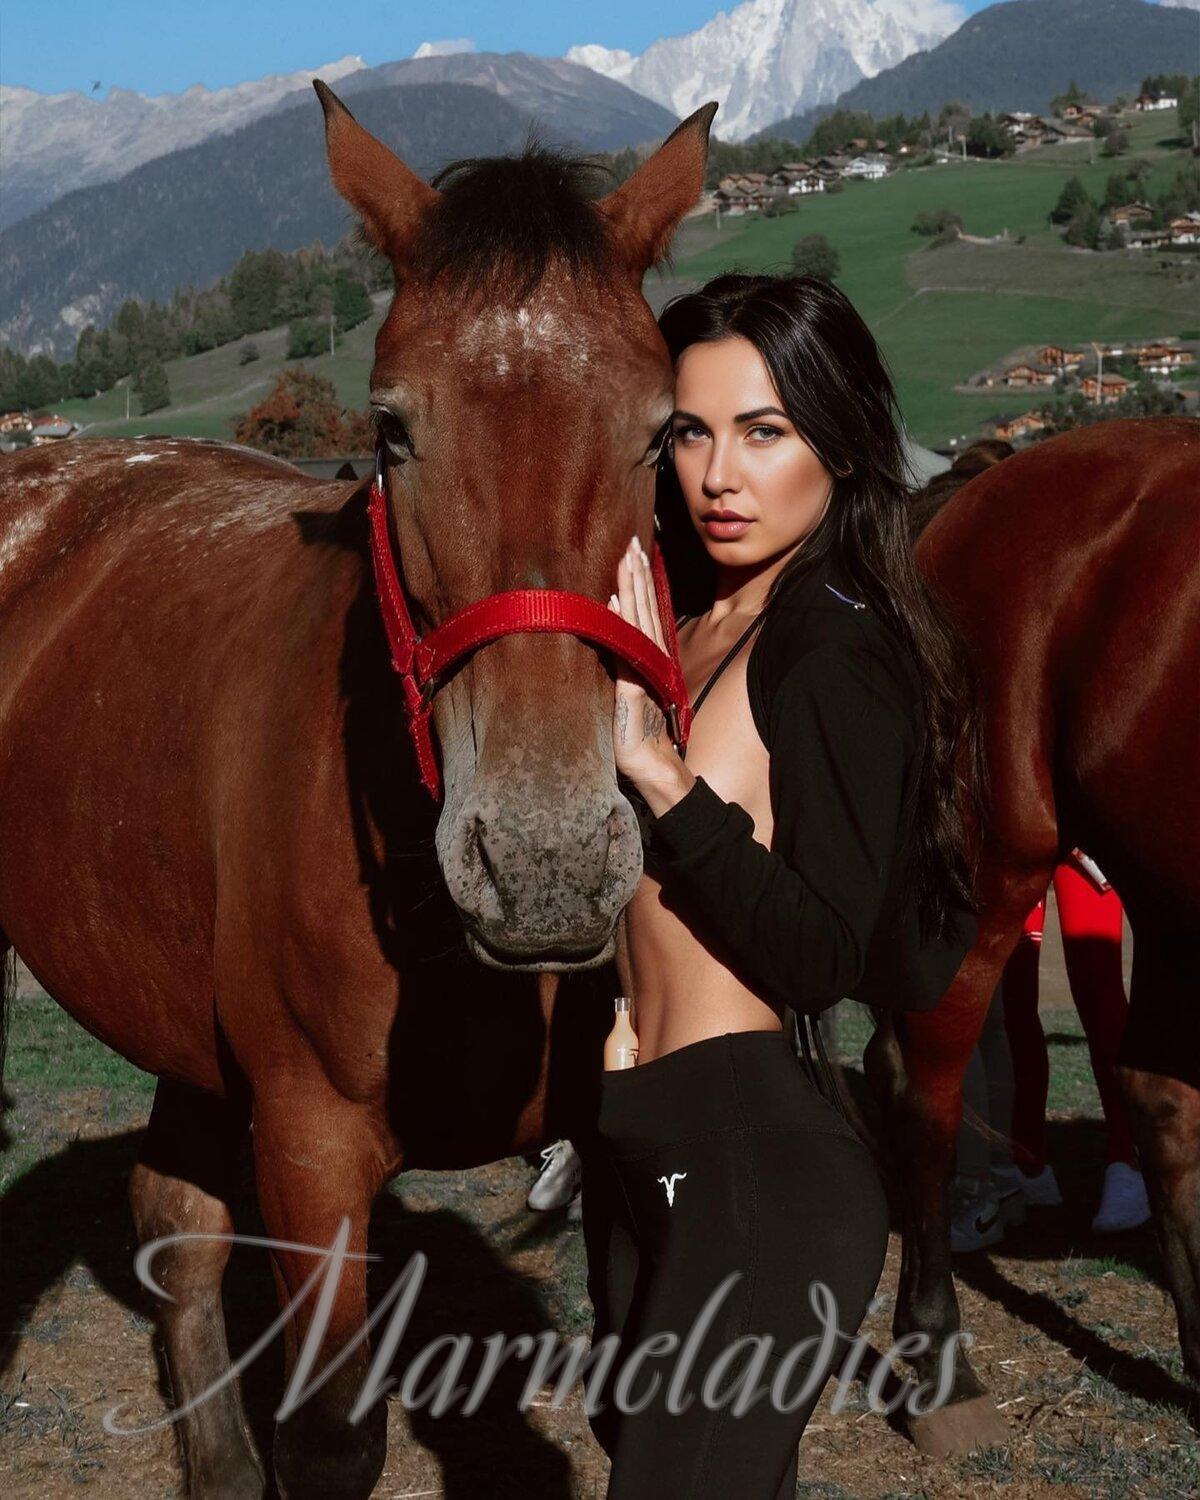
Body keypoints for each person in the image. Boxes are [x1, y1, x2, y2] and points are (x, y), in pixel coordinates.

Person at [576, 273, 982, 1499]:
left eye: (764, 432)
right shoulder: (684, 623)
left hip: (753, 1162)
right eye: (690, 433)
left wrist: (660, 777)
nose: (719, 476)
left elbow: (821, 957)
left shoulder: (836, 643)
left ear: (839, 445)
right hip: (633, 1146)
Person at [1002, 855, 1150, 1232]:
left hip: (1083, 839)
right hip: (1017, 834)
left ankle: (1128, 1159)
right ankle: (1026, 1161)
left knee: (1098, 991)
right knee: (1011, 998)